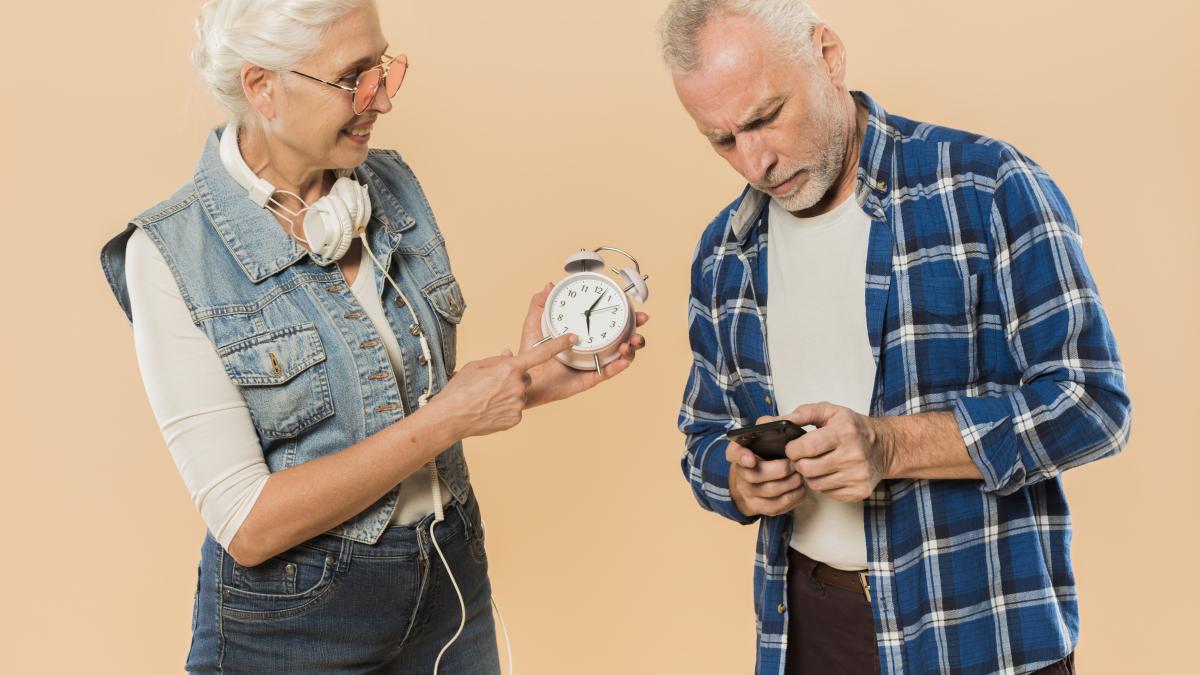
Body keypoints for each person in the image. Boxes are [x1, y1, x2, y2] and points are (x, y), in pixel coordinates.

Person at [99, 0, 647, 671]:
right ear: (262, 86)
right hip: (293, 622)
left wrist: (524, 383)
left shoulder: (389, 185)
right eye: (354, 75)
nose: (381, 98)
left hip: (449, 580)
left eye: (384, 67)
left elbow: (398, 401)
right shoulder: (169, 255)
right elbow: (248, 523)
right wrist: (449, 418)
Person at [657, 1, 1130, 673]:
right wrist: (735, 480)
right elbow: (704, 433)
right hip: (812, 628)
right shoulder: (724, 252)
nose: (755, 160)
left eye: (765, 117)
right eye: (723, 139)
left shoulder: (989, 186)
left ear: (828, 55)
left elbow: (1094, 406)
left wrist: (891, 445)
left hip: (984, 632)